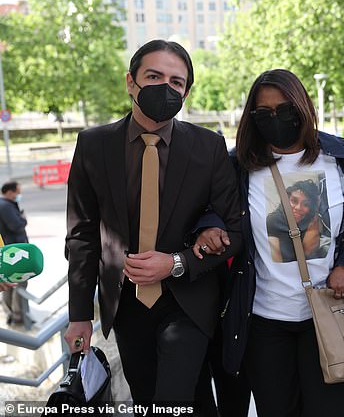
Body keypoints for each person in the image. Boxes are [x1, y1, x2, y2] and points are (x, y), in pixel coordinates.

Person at [194, 68, 344, 417]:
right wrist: (209, 226)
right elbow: (212, 210)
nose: (276, 119)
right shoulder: (238, 165)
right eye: (263, 113)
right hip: (265, 321)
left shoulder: (343, 157)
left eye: (284, 109)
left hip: (330, 313)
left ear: (303, 107)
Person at [63, 39, 242, 410]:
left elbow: (236, 230)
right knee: (155, 400)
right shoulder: (93, 145)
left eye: (176, 82)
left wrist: (176, 262)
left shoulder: (209, 148)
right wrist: (79, 316)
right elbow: (82, 235)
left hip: (189, 302)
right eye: (154, 76)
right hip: (125, 304)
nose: (166, 87)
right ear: (131, 82)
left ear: (187, 91)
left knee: (170, 401)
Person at [266, 178, 330, 262]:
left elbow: (311, 252)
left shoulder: (311, 220)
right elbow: (277, 264)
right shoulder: (273, 221)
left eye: (306, 204)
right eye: (294, 201)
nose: (298, 208)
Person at [0, 181, 29, 326]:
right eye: (17, 192)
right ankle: (18, 317)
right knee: (18, 284)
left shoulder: (4, 204)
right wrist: (23, 219)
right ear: (10, 192)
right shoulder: (5, 206)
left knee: (8, 285)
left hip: (10, 252)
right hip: (15, 254)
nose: (19, 195)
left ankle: (12, 314)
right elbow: (16, 225)